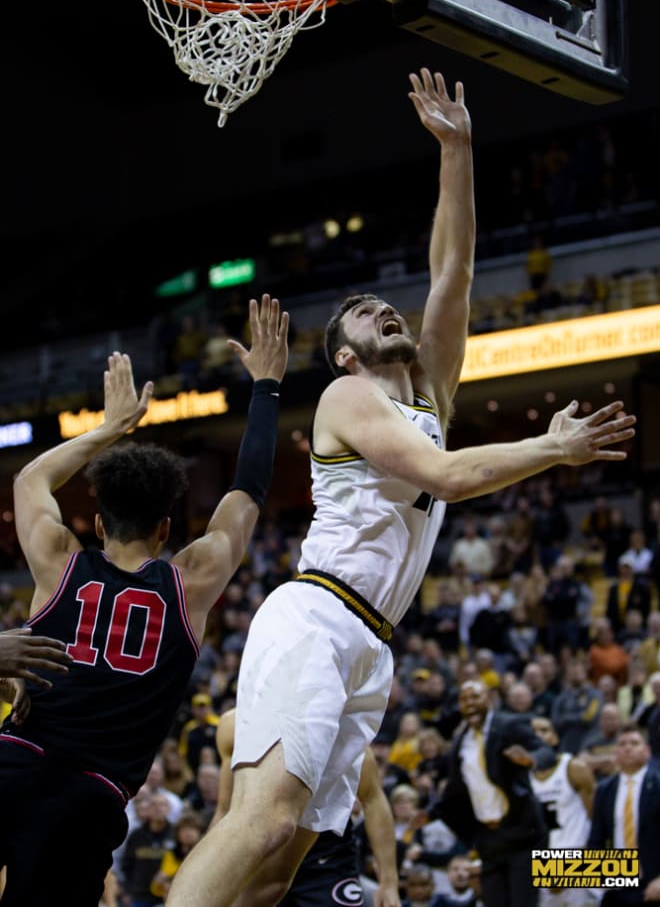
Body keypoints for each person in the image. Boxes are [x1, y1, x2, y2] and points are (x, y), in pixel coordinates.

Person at [167, 68, 635, 907]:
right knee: (261, 826)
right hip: (316, 612)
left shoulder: (430, 398)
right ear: (344, 353)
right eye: (360, 312)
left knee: (281, 867)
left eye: (383, 304)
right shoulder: (350, 397)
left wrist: (456, 152)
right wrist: (552, 446)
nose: (383, 308)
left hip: (370, 642)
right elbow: (449, 477)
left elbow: (451, 271)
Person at [0, 294, 288, 907]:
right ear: (165, 528)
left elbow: (29, 481)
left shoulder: (58, 561)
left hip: (13, 762)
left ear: (98, 526)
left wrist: (108, 427)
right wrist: (266, 386)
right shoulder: (192, 581)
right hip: (90, 797)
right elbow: (249, 491)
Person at [214, 708, 401, 907]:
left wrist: (389, 882)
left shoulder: (337, 727)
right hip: (262, 853)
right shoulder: (235, 724)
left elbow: (372, 799)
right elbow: (224, 808)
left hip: (326, 854)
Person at [427, 679, 555, 907]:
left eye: (475, 696)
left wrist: (531, 759)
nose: (469, 703)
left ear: (490, 699)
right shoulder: (460, 741)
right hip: (489, 838)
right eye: (464, 699)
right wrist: (429, 814)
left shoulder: (509, 725)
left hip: (522, 833)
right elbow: (455, 791)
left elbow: (545, 750)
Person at [587, 724, 660, 906]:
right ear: (615, 753)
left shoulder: (658, 785)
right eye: (622, 744)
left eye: (634, 743)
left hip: (653, 883)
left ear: (647, 751)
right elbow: (596, 839)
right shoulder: (604, 789)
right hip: (617, 882)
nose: (628, 748)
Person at [528, 716, 597, 907]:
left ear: (555, 738)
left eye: (544, 730)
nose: (538, 735)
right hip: (539, 864)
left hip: (577, 858)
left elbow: (596, 819)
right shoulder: (522, 777)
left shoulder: (574, 768)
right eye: (533, 732)